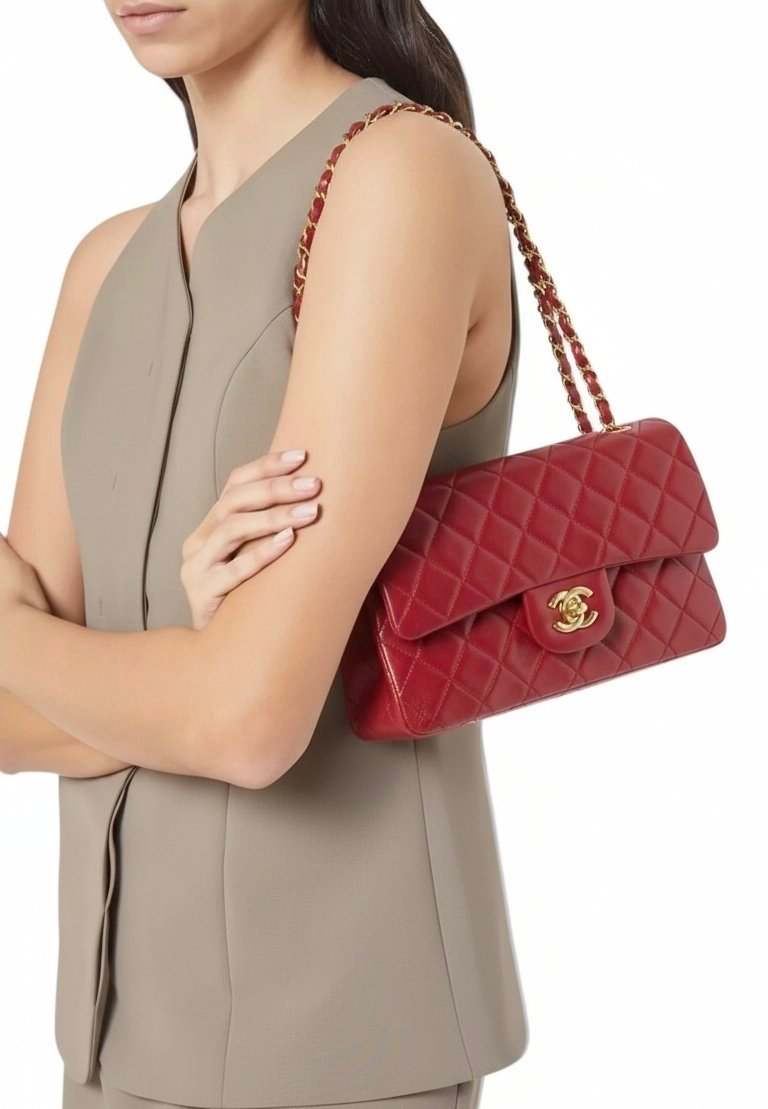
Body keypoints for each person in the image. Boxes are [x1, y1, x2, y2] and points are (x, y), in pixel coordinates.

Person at [0, 2, 528, 1107]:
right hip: (110, 1037)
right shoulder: (105, 267)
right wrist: (192, 668)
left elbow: (245, 720)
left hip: (345, 1044)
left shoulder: (400, 176)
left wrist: (187, 679)